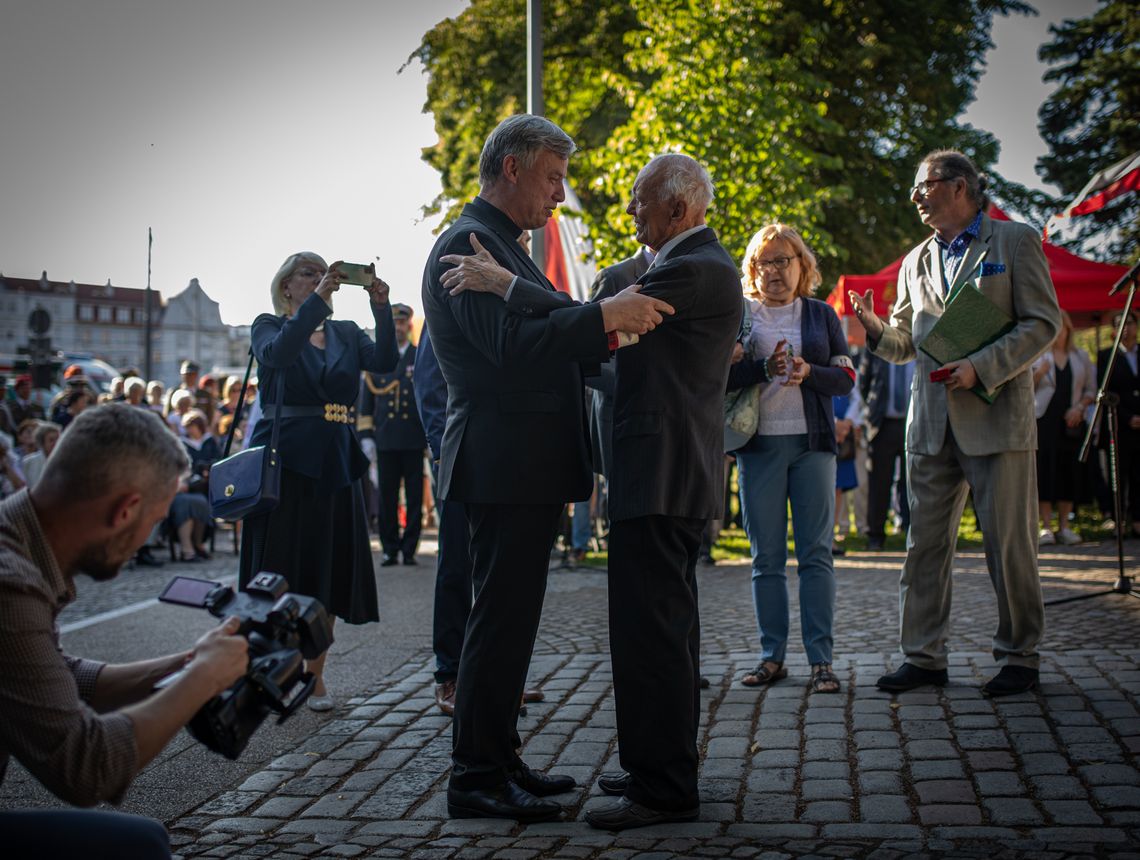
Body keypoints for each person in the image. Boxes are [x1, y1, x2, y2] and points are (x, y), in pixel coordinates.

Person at [422, 113, 672, 823]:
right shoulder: (467, 244)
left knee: (512, 620)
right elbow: (513, 347)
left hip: (520, 460)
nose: (560, 196)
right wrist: (601, 316)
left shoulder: (502, 246)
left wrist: (593, 318)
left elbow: (550, 321)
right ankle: (474, 777)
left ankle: (498, 757)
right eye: (553, 178)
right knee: (497, 622)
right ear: (513, 168)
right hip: (502, 460)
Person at [849, 149, 1060, 697]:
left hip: (997, 419)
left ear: (960, 186)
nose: (915, 197)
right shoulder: (914, 260)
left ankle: (1020, 656)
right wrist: (874, 327)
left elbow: (1044, 323)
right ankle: (922, 657)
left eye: (924, 186)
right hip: (930, 424)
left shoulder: (1015, 243)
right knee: (923, 547)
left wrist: (980, 367)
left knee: (1009, 545)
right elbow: (903, 344)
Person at [0, 404, 248, 859]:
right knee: (142, 847)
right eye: (154, 522)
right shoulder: (9, 582)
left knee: (144, 839)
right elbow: (87, 768)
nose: (148, 534)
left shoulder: (17, 540)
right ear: (125, 511)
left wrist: (186, 664)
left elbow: (56, 675)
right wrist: (202, 681)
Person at [239, 252, 397, 712]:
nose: (321, 277)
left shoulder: (346, 333)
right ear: (287, 286)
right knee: (282, 568)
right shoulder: (267, 325)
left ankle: (315, 675)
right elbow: (278, 355)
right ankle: (276, 664)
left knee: (328, 568)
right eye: (309, 272)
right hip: (284, 462)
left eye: (324, 271)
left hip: (336, 459)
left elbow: (385, 362)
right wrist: (319, 302)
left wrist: (381, 308)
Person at [727, 224, 854, 697]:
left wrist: (808, 371)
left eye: (785, 260)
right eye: (765, 262)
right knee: (767, 558)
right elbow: (717, 376)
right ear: (752, 269)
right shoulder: (740, 315)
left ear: (803, 266)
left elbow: (844, 380)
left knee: (816, 555)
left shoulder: (821, 315)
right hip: (757, 446)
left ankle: (822, 660)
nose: (775, 271)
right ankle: (772, 657)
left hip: (812, 445)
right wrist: (764, 368)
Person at [359, 303, 427, 566]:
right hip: (385, 439)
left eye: (401, 324)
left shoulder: (418, 356)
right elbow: (366, 402)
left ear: (408, 326)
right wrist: (366, 437)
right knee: (387, 497)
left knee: (414, 498)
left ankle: (410, 548)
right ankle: (389, 548)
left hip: (413, 438)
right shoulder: (379, 359)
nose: (398, 328)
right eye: (394, 324)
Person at [1033, 310, 1096, 545]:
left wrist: (1079, 408)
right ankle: (1046, 528)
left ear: (1069, 329)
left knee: (1068, 471)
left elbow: (1092, 389)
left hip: (1071, 421)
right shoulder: (1038, 355)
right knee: (1044, 471)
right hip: (1044, 420)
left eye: (1062, 327)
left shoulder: (1080, 356)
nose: (1059, 332)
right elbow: (1024, 389)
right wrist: (1039, 374)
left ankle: (1065, 526)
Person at [860, 350, 915, 549]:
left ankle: (911, 531)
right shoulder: (878, 346)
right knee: (879, 482)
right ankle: (875, 535)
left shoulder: (918, 345)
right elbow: (863, 384)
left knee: (912, 480)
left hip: (913, 424)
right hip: (882, 425)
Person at [1098, 310, 1140, 537]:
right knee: (1119, 475)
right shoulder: (1107, 356)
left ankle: (1138, 521)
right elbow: (1105, 392)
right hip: (1119, 426)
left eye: (1130, 323)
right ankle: (1119, 520)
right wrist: (1127, 417)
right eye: (1120, 324)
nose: (1126, 328)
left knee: (1138, 475)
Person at [18, 421, 61, 490]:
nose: (56, 443)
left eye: (58, 439)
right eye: (51, 440)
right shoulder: (29, 462)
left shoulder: (66, 460)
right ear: (42, 443)